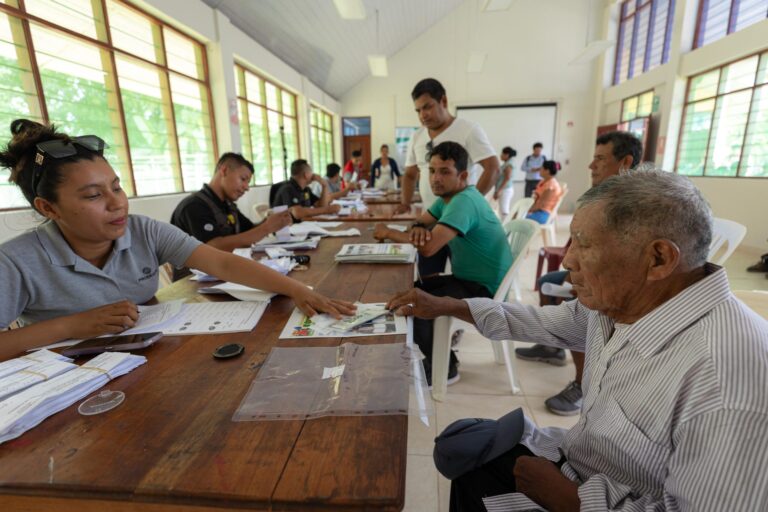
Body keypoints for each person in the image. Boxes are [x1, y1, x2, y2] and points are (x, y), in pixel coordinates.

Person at [388, 170, 768, 512]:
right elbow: (541, 321)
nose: (567, 260)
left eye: (584, 244)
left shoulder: (727, 382)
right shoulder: (620, 307)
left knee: (473, 477)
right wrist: (446, 305)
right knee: (458, 451)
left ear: (658, 259)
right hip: (578, 461)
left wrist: (571, 500)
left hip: (590, 496)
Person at [0, 119, 355, 360]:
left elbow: (223, 262)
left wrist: (298, 291)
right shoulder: (17, 261)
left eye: (117, 187)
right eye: (93, 196)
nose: (116, 203)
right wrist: (71, 325)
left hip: (143, 366)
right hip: (65, 391)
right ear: (49, 208)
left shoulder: (142, 230)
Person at [518, 131, 642, 416]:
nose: (591, 166)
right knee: (547, 282)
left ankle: (582, 384)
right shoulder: (602, 198)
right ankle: (553, 346)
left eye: (599, 159)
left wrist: (580, 279)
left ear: (625, 162)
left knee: (582, 302)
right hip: (593, 270)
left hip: (613, 286)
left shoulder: (632, 206)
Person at [373, 142, 511, 385]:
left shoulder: (463, 201)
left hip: (484, 290)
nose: (435, 178)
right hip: (467, 279)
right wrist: (417, 228)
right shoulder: (447, 198)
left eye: (444, 171)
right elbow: (421, 222)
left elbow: (428, 247)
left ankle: (445, 369)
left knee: (417, 301)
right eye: (432, 171)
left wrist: (387, 231)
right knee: (410, 290)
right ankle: (442, 358)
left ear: (463, 175)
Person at [398, 78, 499, 277]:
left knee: (466, 276)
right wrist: (404, 203)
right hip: (431, 218)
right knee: (427, 277)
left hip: (462, 223)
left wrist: (467, 205)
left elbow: (493, 168)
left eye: (427, 107)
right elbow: (410, 174)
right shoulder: (417, 136)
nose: (423, 115)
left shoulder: (468, 129)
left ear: (443, 101)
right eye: (418, 110)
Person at [170, 152, 292, 255]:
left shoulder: (227, 205)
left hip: (226, 270)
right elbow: (213, 247)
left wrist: (273, 221)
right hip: (194, 279)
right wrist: (266, 228)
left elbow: (249, 231)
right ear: (224, 170)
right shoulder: (194, 206)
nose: (246, 187)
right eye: (243, 179)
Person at [272, 159, 340, 220]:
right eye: (311, 172)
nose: (313, 175)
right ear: (306, 175)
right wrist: (327, 210)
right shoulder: (287, 189)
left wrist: (324, 186)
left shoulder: (306, 189)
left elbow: (321, 206)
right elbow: (297, 213)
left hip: (303, 225)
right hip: (287, 229)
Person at [525, 160, 562, 224]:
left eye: (541, 168)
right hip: (538, 211)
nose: (539, 170)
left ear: (547, 171)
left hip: (544, 214)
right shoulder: (543, 181)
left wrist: (526, 211)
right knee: (517, 215)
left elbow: (541, 205)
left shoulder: (551, 186)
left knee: (518, 218)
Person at [493, 146, 516, 220]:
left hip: (505, 190)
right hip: (504, 189)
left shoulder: (509, 164)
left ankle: (507, 228)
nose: (501, 155)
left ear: (507, 155)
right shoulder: (506, 163)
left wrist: (499, 190)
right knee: (501, 210)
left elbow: (507, 178)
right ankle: (504, 227)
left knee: (504, 210)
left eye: (502, 153)